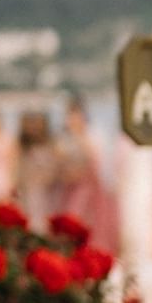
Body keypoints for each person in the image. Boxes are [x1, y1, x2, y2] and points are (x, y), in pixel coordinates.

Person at [56, 95, 118, 253]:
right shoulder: (64, 138)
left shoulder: (93, 135)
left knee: (92, 222)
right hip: (71, 187)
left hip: (90, 189)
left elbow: (98, 163)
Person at [15, 110, 61, 232]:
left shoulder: (52, 144)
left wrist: (48, 177)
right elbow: (19, 170)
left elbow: (56, 168)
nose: (35, 127)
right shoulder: (23, 146)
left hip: (48, 193)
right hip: (30, 192)